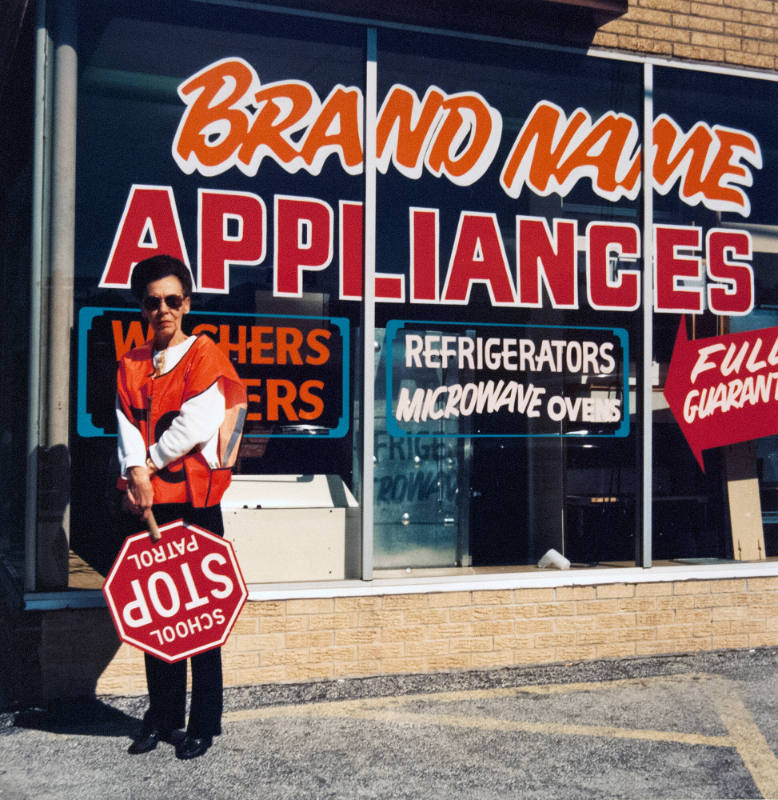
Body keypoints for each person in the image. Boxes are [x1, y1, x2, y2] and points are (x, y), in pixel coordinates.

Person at [115, 254, 247, 760]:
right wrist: (133, 474)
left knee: (202, 619)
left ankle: (204, 722)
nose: (163, 310)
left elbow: (194, 425)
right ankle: (161, 715)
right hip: (150, 504)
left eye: (173, 300)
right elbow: (125, 423)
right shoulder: (130, 363)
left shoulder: (205, 355)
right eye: (153, 302)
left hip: (193, 503)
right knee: (158, 616)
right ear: (142, 308)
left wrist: (144, 466)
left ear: (186, 303)